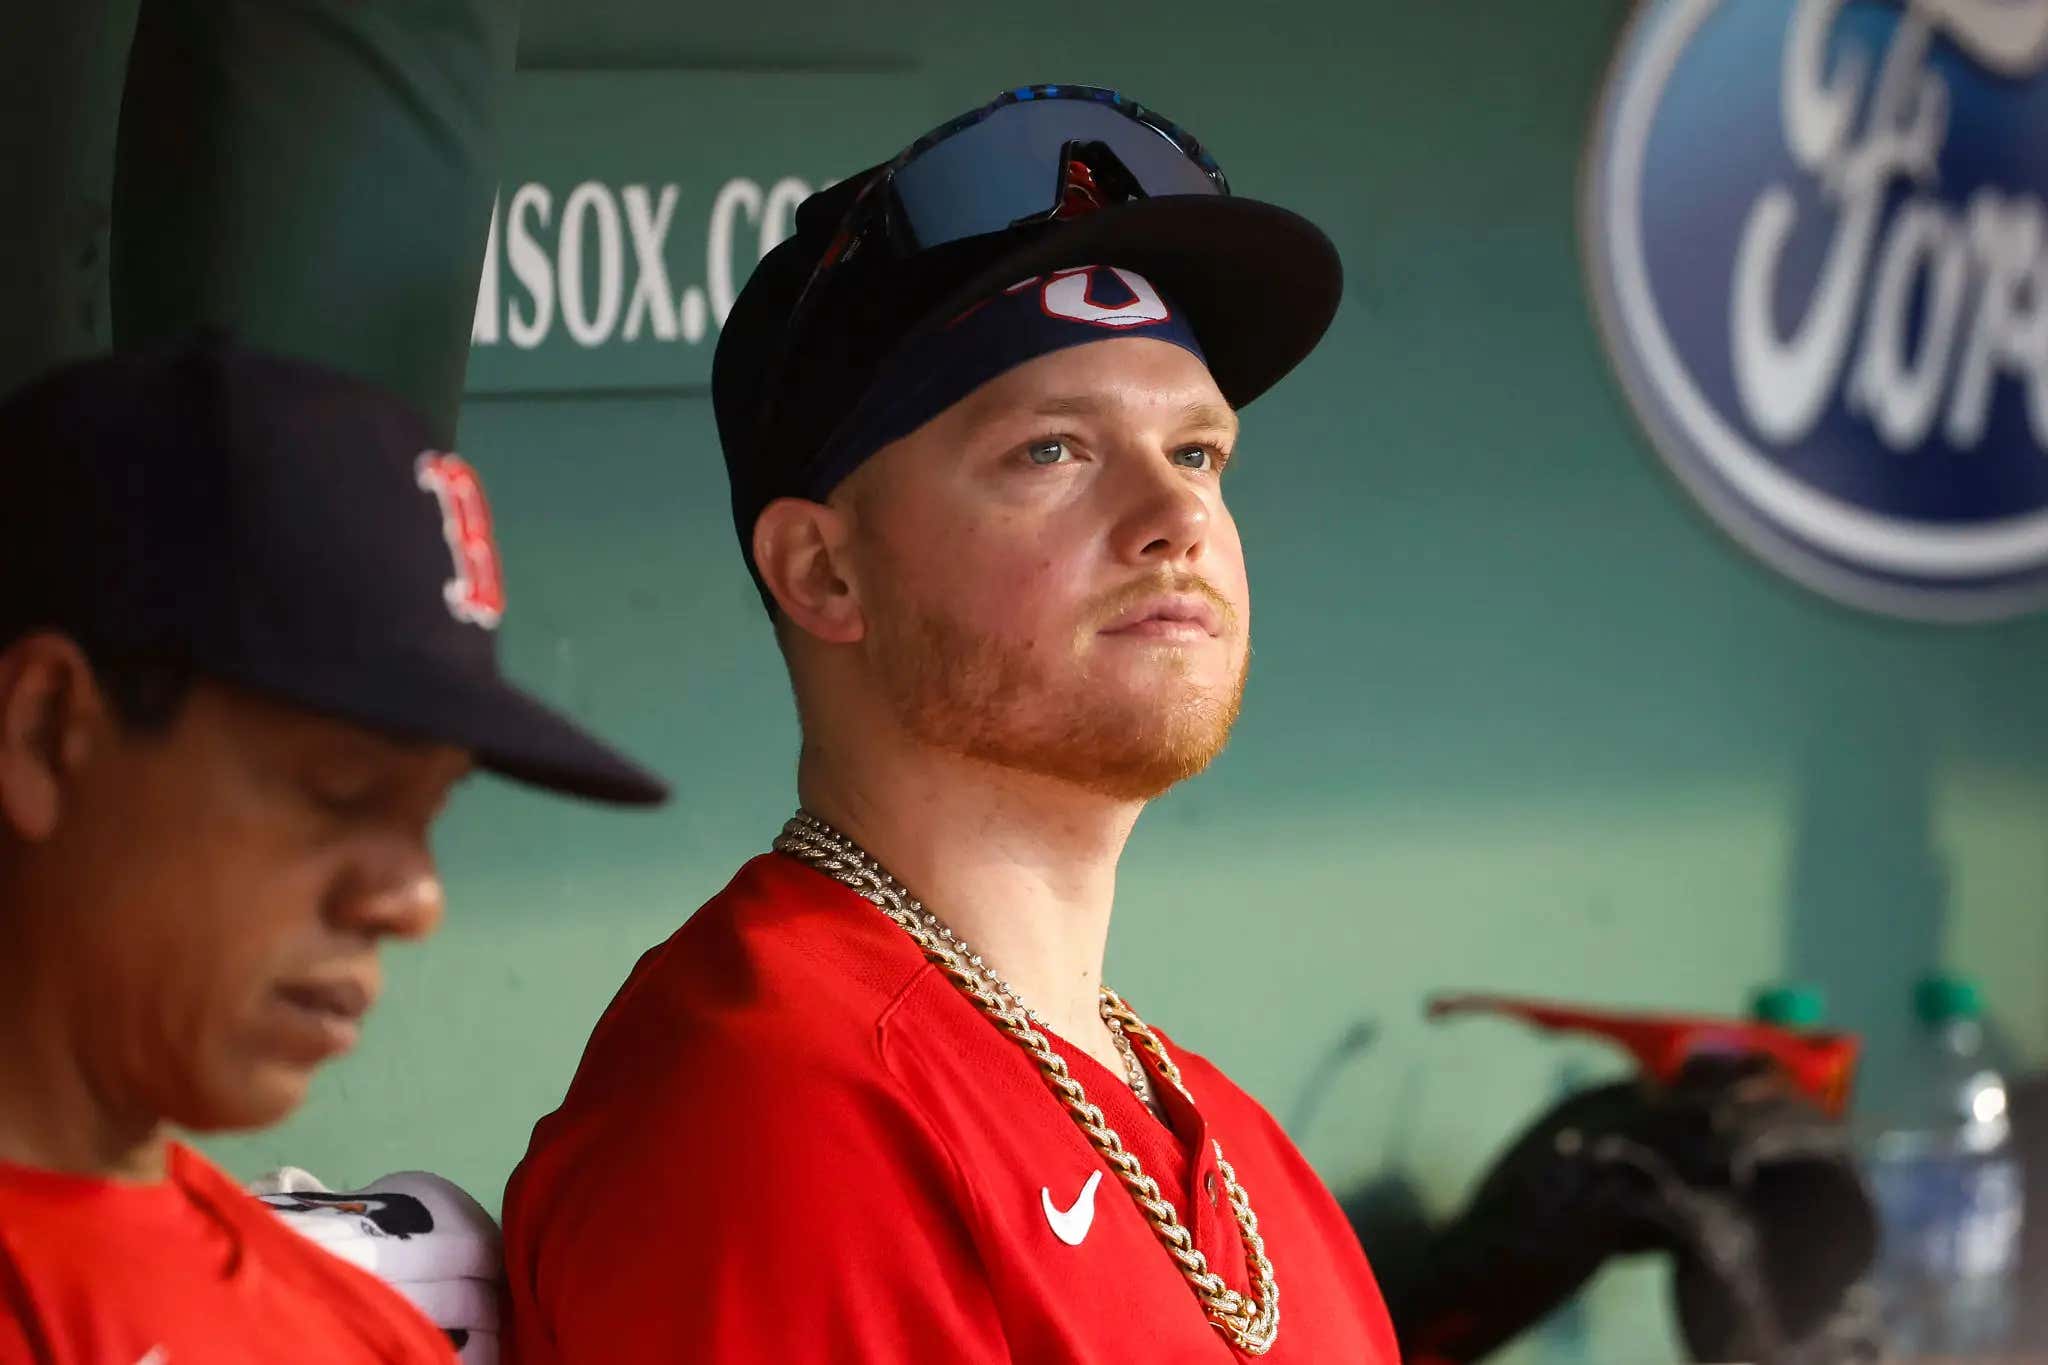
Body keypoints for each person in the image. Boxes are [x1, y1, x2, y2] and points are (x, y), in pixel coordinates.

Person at [504, 84, 1397, 1361]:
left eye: (1198, 454)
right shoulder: (783, 1107)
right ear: (823, 573)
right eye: (1051, 452)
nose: (1174, 516)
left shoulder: (1246, 1161)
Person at [0, 334, 668, 1363]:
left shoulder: (357, 1335)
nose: (413, 897)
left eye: (429, 812)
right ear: (49, 733)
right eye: (340, 791)